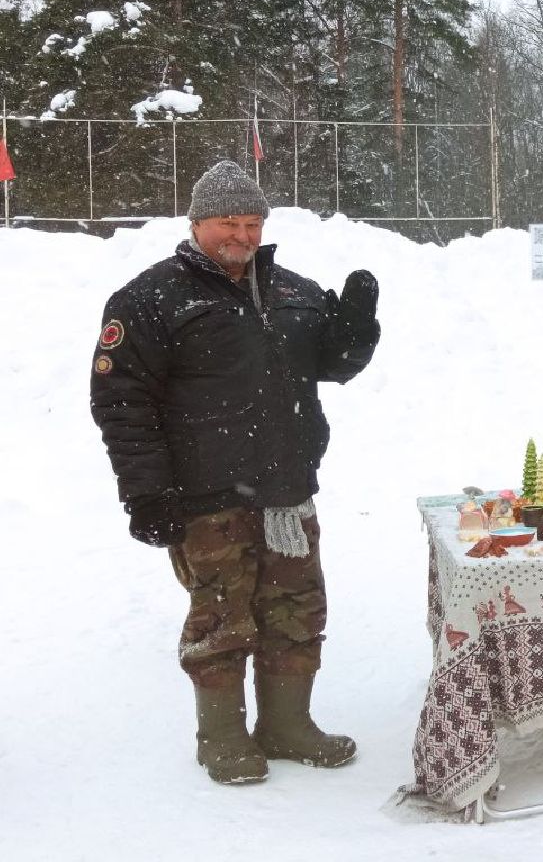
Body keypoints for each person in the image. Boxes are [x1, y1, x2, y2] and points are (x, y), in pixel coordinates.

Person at [90, 160, 381, 786]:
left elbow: (336, 363)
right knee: (221, 619)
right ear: (197, 223)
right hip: (204, 495)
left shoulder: (291, 290)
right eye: (229, 222)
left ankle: (286, 725)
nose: (242, 236)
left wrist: (357, 328)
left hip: (287, 491)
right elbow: (121, 404)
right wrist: (145, 493)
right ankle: (221, 736)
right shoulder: (149, 299)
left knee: (297, 611)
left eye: (253, 224)